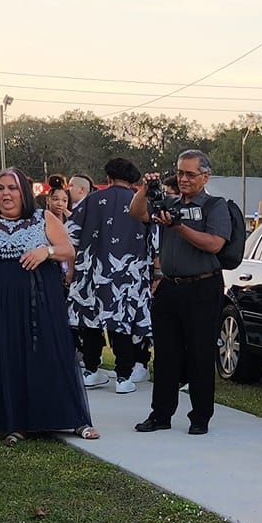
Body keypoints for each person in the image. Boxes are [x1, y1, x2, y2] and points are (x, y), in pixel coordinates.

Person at [0, 167, 97, 443]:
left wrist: (47, 251)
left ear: (25, 193)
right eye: (2, 188)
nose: (6, 194)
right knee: (6, 352)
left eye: (13, 188)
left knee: (49, 350)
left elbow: (69, 250)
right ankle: (15, 421)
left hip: (39, 295)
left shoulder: (44, 218)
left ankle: (71, 418)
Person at [129, 149, 228, 436]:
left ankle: (200, 417)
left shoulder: (214, 206)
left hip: (203, 286)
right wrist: (145, 190)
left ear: (205, 176)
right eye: (180, 173)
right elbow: (136, 213)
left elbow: (214, 244)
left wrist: (179, 226)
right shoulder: (167, 203)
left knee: (199, 353)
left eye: (190, 174)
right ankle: (160, 414)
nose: (183, 179)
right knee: (166, 355)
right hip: (170, 286)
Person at [70, 156, 154, 394]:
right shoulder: (142, 203)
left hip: (92, 272)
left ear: (108, 177)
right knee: (123, 323)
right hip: (129, 273)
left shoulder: (92, 200)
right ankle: (123, 377)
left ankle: (91, 370)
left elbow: (71, 235)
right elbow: (155, 240)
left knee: (91, 320)